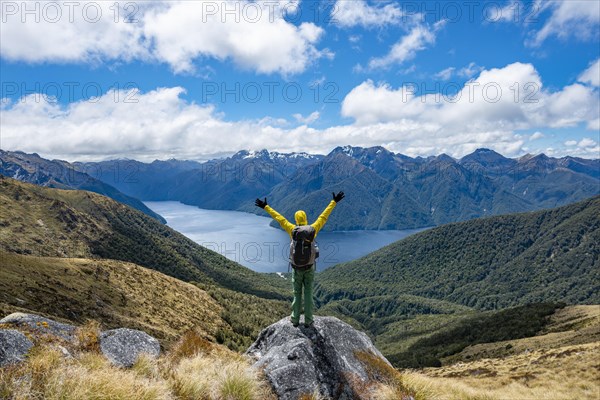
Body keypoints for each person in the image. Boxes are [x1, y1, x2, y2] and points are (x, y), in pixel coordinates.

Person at [255, 191, 345, 328]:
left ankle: (295, 320)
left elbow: (280, 219)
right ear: (306, 218)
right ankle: (309, 320)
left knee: (297, 294)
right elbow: (324, 216)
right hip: (309, 268)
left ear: (296, 219)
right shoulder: (313, 229)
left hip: (297, 269)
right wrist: (334, 202)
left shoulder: (292, 230)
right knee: (308, 294)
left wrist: (266, 207)